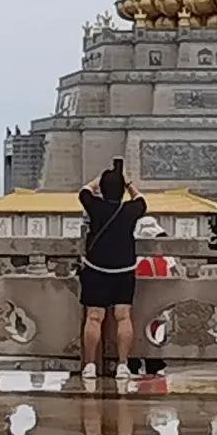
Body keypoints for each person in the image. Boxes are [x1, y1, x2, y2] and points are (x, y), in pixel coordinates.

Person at [76, 164, 146, 383]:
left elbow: (83, 192)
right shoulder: (129, 210)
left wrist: (97, 180)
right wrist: (129, 184)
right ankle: (123, 365)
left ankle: (89, 365)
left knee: (94, 317)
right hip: (124, 269)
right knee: (123, 317)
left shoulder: (95, 206)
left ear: (103, 190)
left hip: (96, 268)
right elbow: (142, 201)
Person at [124, 216, 173, 377]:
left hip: (156, 304)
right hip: (142, 303)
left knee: (155, 333)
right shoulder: (137, 258)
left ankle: (152, 363)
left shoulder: (163, 257)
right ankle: (137, 362)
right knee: (142, 333)